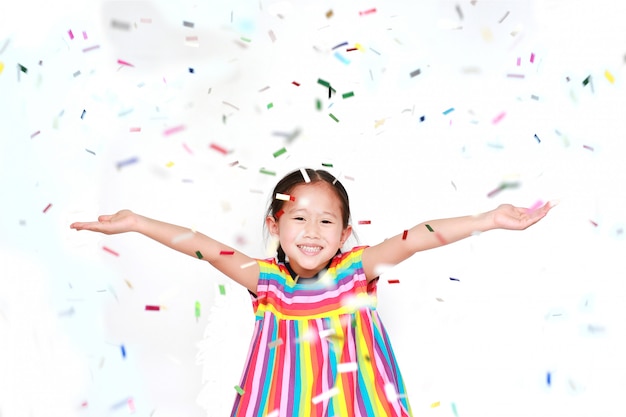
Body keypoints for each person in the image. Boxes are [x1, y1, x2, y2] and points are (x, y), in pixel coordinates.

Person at [70, 168, 555, 417]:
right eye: (298, 218)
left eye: (326, 221)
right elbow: (200, 246)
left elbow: (419, 236)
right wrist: (136, 223)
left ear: (345, 234)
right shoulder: (267, 282)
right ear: (275, 225)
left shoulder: (355, 271)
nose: (311, 231)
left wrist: (489, 220)